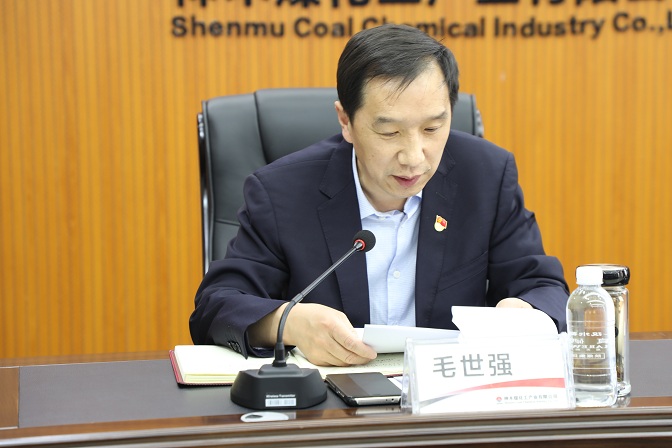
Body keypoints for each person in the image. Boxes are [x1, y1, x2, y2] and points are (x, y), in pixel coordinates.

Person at [189, 23, 569, 367]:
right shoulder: (281, 192)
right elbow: (216, 306)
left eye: (432, 128)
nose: (414, 157)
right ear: (346, 121)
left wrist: (523, 311)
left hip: (449, 398)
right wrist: (290, 323)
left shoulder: (486, 176)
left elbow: (543, 286)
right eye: (390, 133)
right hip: (331, 405)